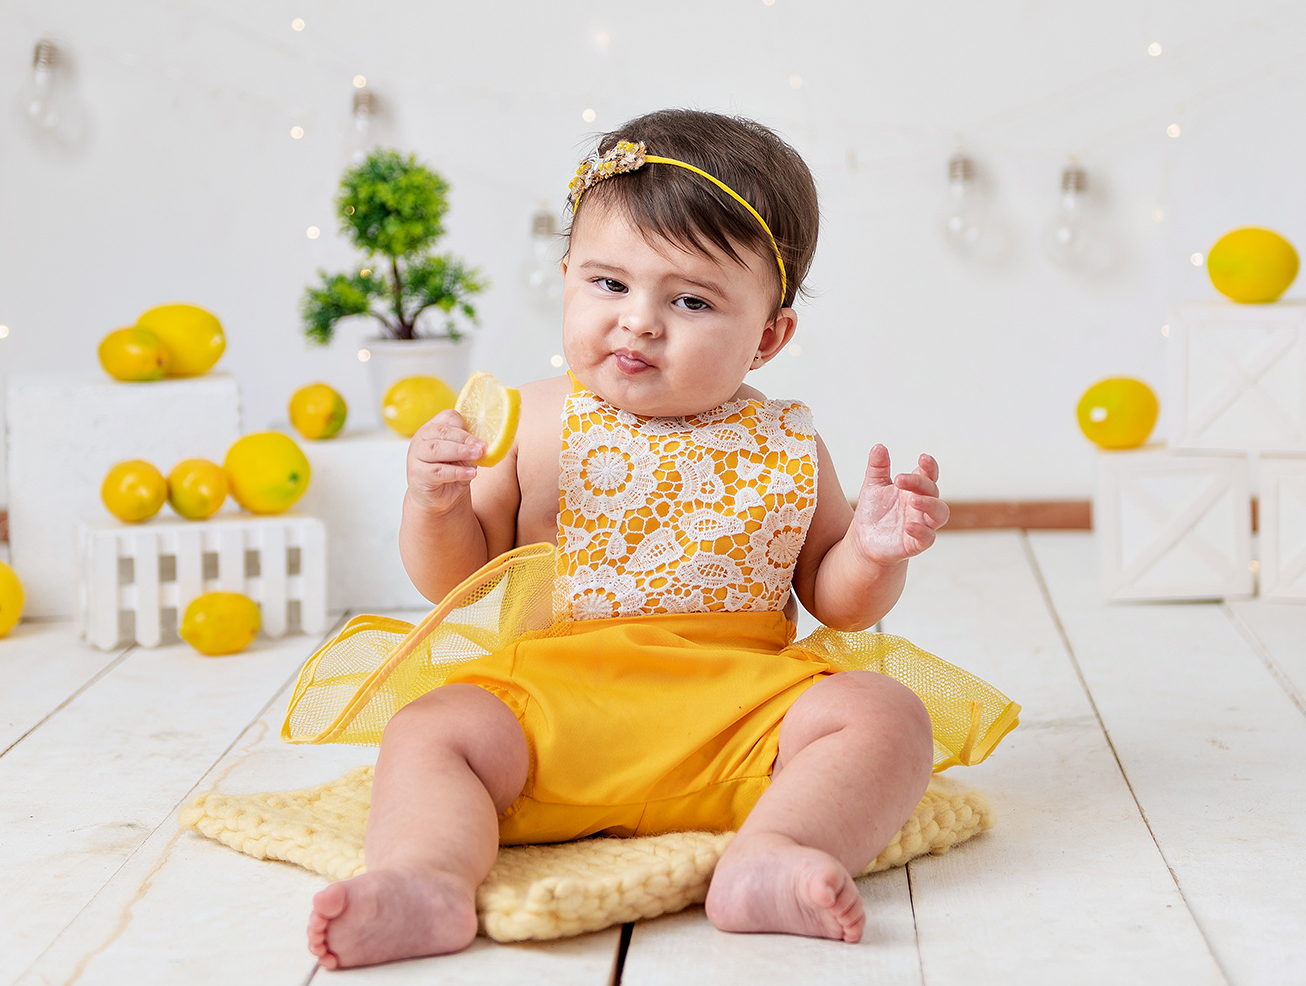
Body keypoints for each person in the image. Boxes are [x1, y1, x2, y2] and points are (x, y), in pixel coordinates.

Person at [306, 109, 1017, 969]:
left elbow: (837, 604)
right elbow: (454, 579)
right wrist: (436, 502)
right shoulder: (529, 422)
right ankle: (425, 878)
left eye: (690, 301)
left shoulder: (787, 442)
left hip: (738, 717)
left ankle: (775, 852)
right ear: (566, 278)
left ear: (768, 335)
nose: (639, 321)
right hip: (554, 711)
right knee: (430, 729)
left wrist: (869, 551)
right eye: (609, 284)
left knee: (885, 714)